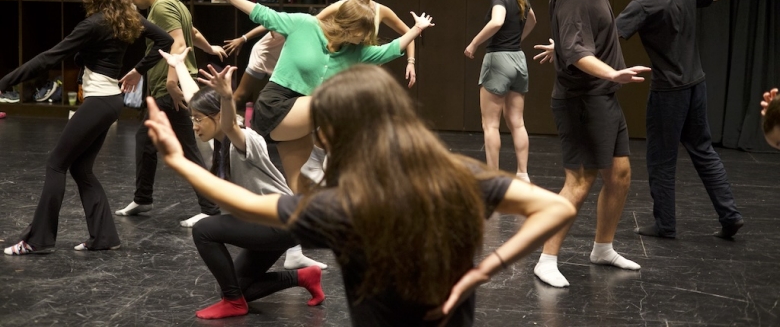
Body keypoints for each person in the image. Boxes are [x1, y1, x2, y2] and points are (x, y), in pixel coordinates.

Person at [145, 64, 577, 326]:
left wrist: (178, 162)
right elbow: (556, 206)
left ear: (332, 134)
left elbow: (250, 206)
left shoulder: (347, 207)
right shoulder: (454, 174)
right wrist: (486, 269)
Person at [2, 0, 173, 255]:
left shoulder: (94, 24)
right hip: (110, 101)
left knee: (56, 163)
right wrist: (137, 70)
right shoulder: (125, 16)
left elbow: (49, 58)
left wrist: (5, 81)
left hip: (99, 102)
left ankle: (38, 240)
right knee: (81, 168)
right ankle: (104, 237)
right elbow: (165, 39)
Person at [207, 0, 433, 193]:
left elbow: (390, 49)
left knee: (300, 190)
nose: (368, 39)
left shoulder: (356, 52)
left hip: (301, 117)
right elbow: (262, 13)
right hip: (275, 106)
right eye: (364, 33)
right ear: (350, 26)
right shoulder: (305, 25)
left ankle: (304, 225)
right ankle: (346, 159)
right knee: (336, 101)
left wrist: (417, 29)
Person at [159, 49, 324, 319]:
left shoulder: (247, 141)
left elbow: (228, 123)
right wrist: (178, 66)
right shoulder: (217, 136)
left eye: (198, 120)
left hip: (281, 221)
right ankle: (304, 277)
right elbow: (196, 101)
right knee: (235, 286)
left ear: (216, 117)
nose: (194, 125)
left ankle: (234, 304)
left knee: (203, 229)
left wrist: (226, 96)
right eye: (193, 120)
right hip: (273, 223)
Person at [531, 0, 651, 288]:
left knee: (619, 175)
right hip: (582, 101)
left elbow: (573, 44)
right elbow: (580, 53)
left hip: (602, 100)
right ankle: (546, 258)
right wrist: (612, 73)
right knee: (579, 182)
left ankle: (603, 247)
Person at [615, 0, 744, 239]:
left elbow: (610, 34)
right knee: (703, 150)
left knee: (661, 158)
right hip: (695, 85)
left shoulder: (645, 3)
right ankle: (730, 215)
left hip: (668, 91)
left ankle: (665, 224)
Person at [223, 0, 419, 114]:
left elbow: (407, 34)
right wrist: (246, 37)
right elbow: (304, 25)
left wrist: (410, 61)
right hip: (338, 69)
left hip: (362, 67)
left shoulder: (381, 11)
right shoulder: (341, 8)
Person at [115, 0, 227, 228]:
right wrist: (209, 47)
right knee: (145, 140)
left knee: (189, 149)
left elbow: (177, 41)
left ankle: (210, 209)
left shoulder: (162, 7)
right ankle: (143, 198)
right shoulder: (174, 2)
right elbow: (191, 33)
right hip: (170, 86)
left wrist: (171, 81)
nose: (131, 0)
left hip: (171, 89)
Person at [465, 0, 537, 181]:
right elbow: (533, 20)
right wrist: (517, 40)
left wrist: (474, 43)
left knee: (491, 124)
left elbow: (497, 22)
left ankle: (493, 175)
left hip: (498, 60)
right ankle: (523, 173)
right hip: (518, 59)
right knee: (517, 122)